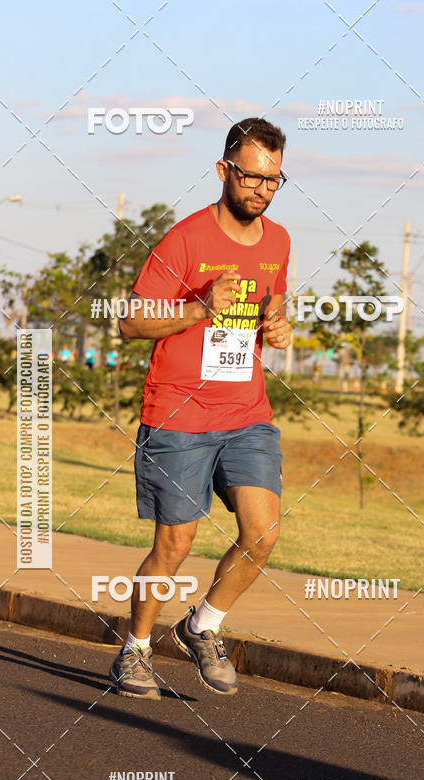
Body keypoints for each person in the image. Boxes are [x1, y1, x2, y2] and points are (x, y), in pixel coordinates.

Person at [110, 118, 292, 700]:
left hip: (246, 411)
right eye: (252, 176)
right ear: (223, 171)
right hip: (179, 415)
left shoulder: (280, 241)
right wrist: (196, 309)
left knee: (262, 533)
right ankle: (135, 651)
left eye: (274, 179)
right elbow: (129, 322)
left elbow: (274, 305)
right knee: (175, 544)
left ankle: (202, 625)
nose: (261, 189)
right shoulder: (184, 240)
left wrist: (280, 325)